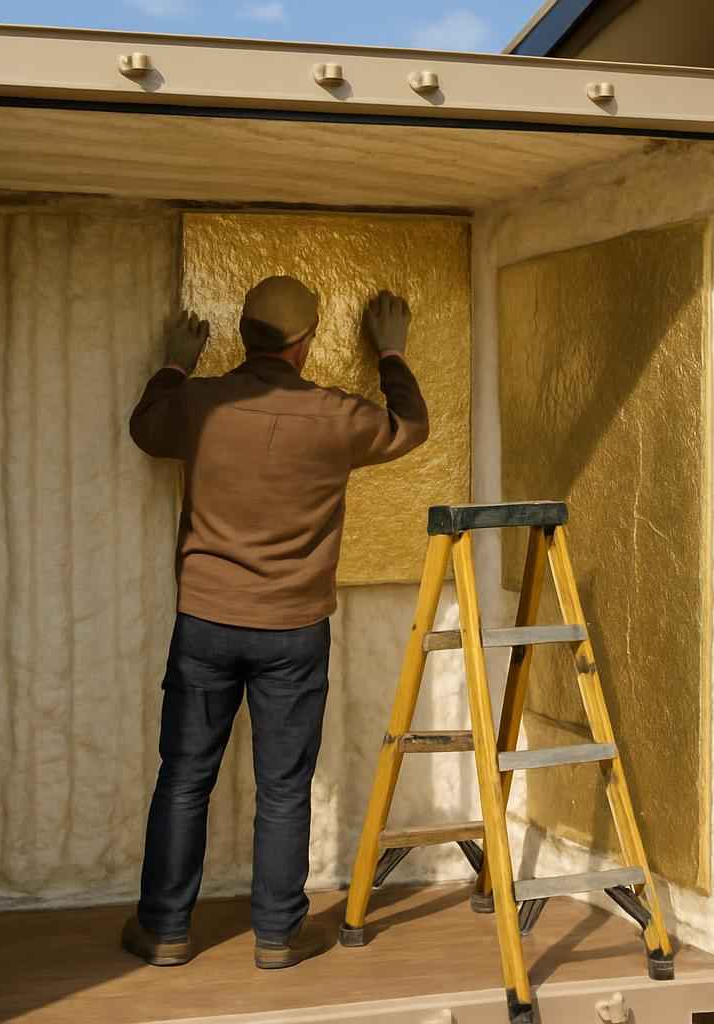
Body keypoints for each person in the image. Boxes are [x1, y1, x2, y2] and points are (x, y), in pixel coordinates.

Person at [121, 276, 429, 970]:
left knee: (183, 777)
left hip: (205, 619)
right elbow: (411, 426)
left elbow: (145, 427)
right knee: (285, 785)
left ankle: (166, 930)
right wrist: (390, 353)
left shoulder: (199, 405)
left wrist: (174, 363)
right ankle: (277, 935)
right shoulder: (336, 416)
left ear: (245, 337)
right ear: (305, 344)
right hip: (293, 628)